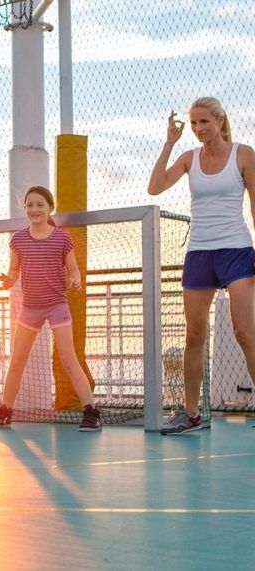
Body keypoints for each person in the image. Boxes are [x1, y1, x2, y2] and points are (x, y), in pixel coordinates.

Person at [148, 97, 255, 435]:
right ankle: (191, 414)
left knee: (244, 332)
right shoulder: (189, 158)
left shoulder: (244, 155)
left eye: (204, 122)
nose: (198, 129)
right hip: (199, 253)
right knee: (194, 335)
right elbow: (155, 187)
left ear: (220, 121)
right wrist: (169, 142)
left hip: (236, 250)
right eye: (194, 123)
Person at [0, 186, 102, 431]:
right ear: (25, 208)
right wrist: (9, 280)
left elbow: (74, 270)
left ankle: (91, 413)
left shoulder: (62, 238)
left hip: (57, 305)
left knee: (68, 358)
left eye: (39, 205)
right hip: (30, 308)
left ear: (50, 208)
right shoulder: (18, 239)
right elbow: (14, 269)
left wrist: (76, 279)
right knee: (17, 360)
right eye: (30, 205)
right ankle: (4, 412)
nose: (34, 209)